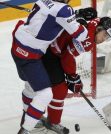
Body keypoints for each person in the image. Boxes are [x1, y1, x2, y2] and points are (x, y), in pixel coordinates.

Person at [20, 11, 111, 134]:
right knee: (47, 90)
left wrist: (78, 14)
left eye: (107, 38)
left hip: (46, 48)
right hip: (48, 53)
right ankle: (35, 122)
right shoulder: (88, 40)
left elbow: (66, 51)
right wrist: (72, 76)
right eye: (105, 35)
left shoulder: (94, 21)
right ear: (99, 28)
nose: (104, 40)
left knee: (50, 89)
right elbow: (67, 56)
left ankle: (44, 121)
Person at [11, 0, 88, 133]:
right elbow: (82, 36)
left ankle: (27, 117)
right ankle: (25, 130)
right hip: (29, 54)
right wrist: (78, 21)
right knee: (45, 94)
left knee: (30, 85)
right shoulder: (64, 10)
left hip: (17, 45)